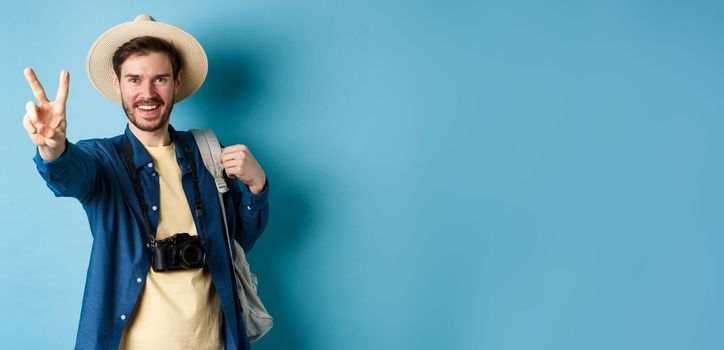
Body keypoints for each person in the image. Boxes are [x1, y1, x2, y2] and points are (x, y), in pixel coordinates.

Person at [23, 15, 269, 350]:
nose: (147, 93)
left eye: (160, 79)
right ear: (117, 82)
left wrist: (256, 188)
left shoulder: (207, 153)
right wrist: (52, 148)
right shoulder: (102, 158)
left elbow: (237, 241)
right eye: (134, 79)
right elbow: (68, 175)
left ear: (177, 81)